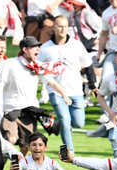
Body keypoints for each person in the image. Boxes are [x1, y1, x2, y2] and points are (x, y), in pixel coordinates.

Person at [39, 15, 93, 151]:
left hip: (75, 90)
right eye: (59, 26)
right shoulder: (45, 48)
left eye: (65, 26)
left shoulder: (76, 45)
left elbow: (88, 64)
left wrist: (92, 85)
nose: (62, 29)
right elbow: (39, 68)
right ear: (54, 27)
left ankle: (55, 124)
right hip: (56, 92)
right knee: (65, 119)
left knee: (79, 123)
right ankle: (69, 151)